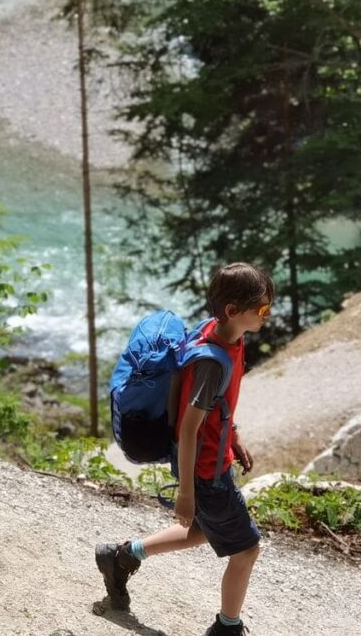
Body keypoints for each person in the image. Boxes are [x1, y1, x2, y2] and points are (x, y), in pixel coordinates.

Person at [96, 263, 275, 636]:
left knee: (203, 531)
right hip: (205, 470)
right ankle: (227, 628)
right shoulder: (211, 360)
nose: (266, 316)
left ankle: (121, 556)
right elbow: (190, 427)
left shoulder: (224, 335)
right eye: (261, 309)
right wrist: (187, 494)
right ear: (232, 311)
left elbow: (216, 409)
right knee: (246, 550)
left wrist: (234, 436)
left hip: (211, 461)